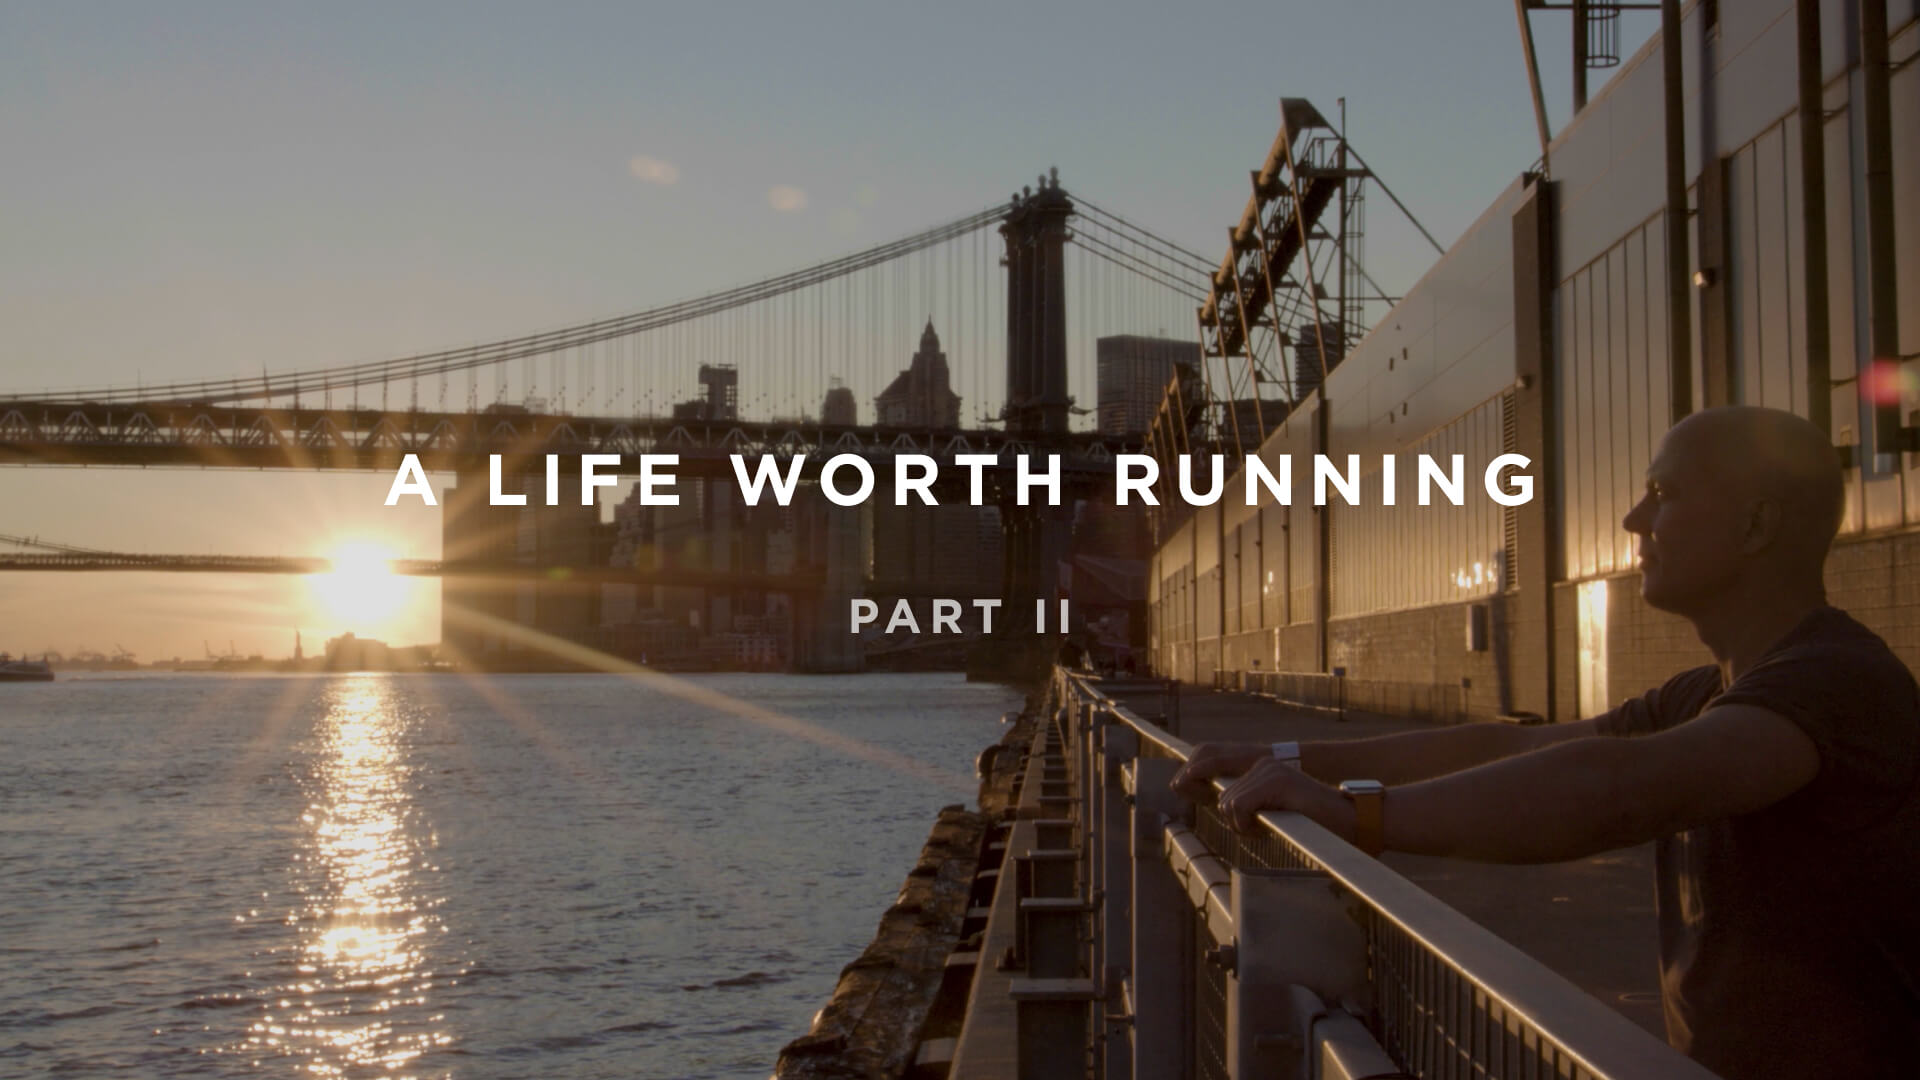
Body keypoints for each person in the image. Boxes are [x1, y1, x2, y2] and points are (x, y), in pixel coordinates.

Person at [1171, 406, 1919, 1079]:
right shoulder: (1707, 691)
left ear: (1756, 526)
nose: (1632, 519)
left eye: (1665, 495)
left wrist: (1361, 815)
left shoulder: (1836, 683)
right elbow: (1513, 750)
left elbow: (1628, 787)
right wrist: (1291, 762)